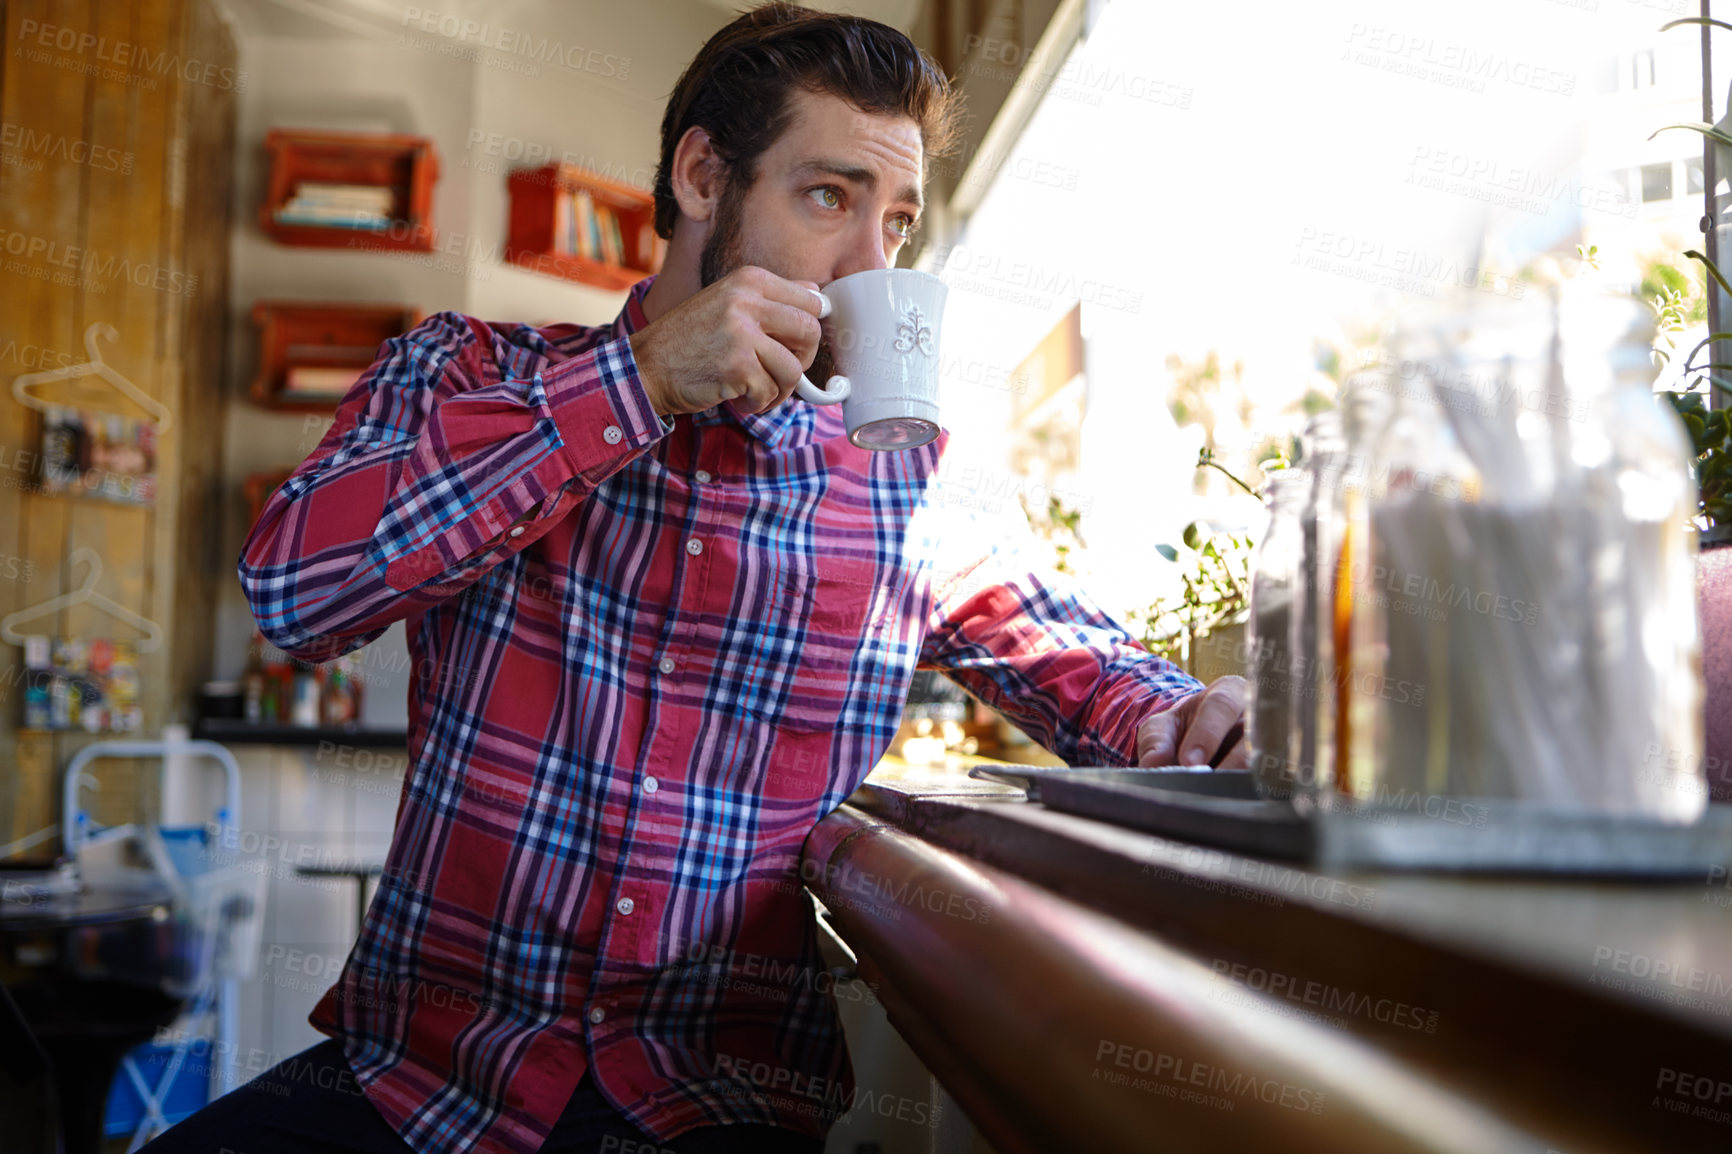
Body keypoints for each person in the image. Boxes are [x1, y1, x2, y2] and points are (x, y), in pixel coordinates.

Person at [148, 5, 1246, 1153]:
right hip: (425, 1082)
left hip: (712, 1107)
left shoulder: (906, 488)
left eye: (900, 221)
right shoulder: (467, 371)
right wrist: (638, 384)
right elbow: (294, 588)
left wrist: (1195, 720)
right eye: (829, 197)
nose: (873, 262)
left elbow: (1092, 672)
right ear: (702, 175)